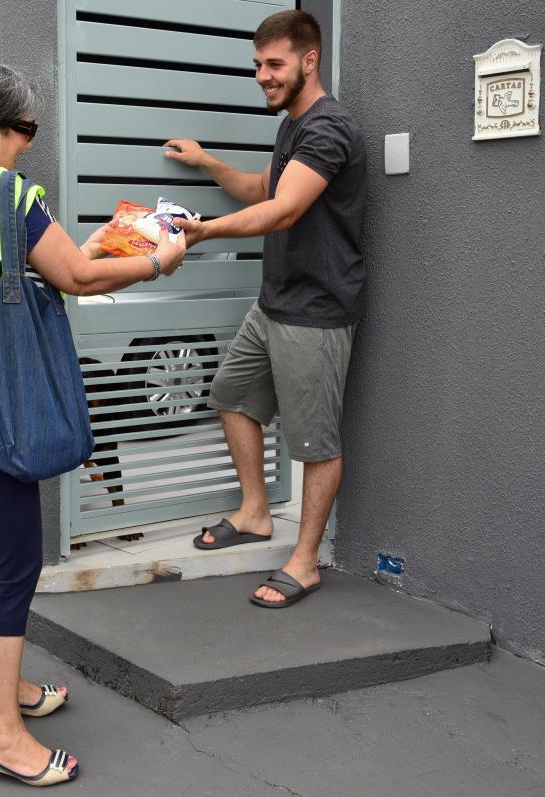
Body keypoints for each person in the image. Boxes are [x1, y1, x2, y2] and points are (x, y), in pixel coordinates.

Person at [0, 61, 185, 787]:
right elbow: (76, 277)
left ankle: (3, 687)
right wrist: (158, 261)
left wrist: (111, 247)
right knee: (14, 556)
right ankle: (1, 734)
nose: (29, 141)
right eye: (23, 128)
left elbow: (48, 265)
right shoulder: (3, 191)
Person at [164, 10, 366, 608]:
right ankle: (255, 512)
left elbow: (282, 212)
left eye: (273, 64)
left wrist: (201, 233)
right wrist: (206, 163)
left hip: (316, 310)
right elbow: (263, 190)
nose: (261, 76)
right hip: (275, 302)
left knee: (315, 442)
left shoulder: (329, 129)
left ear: (310, 61)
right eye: (257, 65)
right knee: (230, 395)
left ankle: (304, 562)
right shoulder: (294, 127)